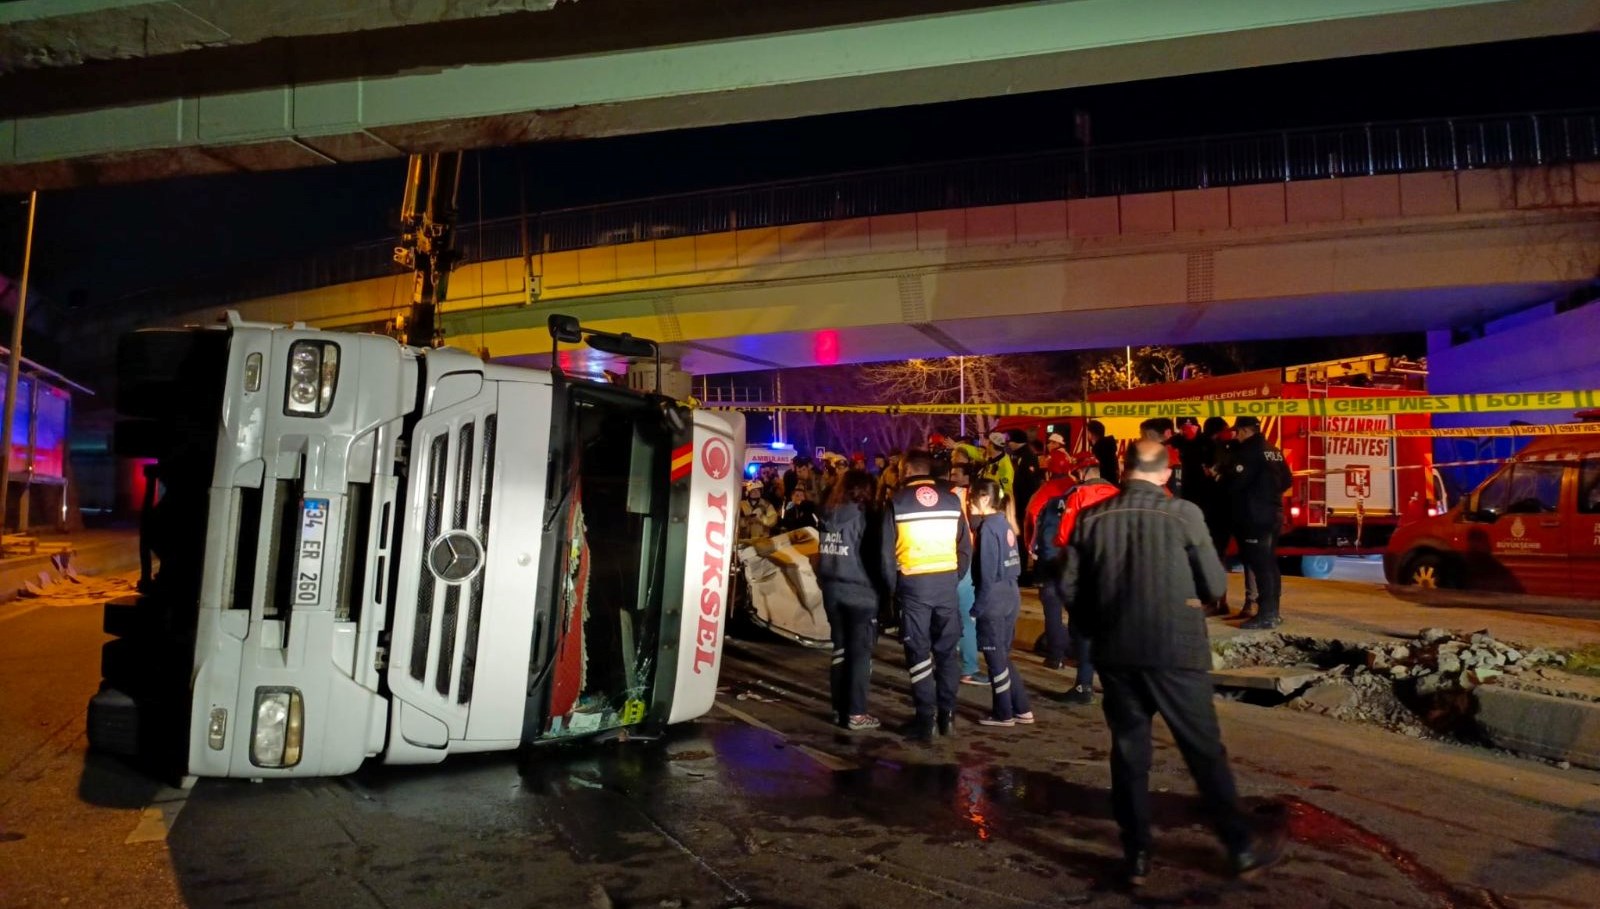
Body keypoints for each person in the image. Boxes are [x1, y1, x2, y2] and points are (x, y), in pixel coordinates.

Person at [1060, 440, 1285, 886]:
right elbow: (1215, 584)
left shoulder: (1091, 518)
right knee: (1202, 750)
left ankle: (1137, 855)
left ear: (1123, 469)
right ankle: (1239, 847)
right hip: (1176, 650)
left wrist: (1092, 628)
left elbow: (1070, 586)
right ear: (1165, 474)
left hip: (1117, 651)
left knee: (1129, 753)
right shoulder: (1183, 514)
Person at [881, 449, 972, 740]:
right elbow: (965, 548)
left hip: (913, 586)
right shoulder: (951, 500)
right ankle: (948, 716)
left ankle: (925, 719)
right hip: (946, 584)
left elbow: (885, 555)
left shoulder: (896, 502)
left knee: (918, 652)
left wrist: (892, 590)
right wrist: (952, 577)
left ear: (906, 470)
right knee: (947, 653)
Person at [816, 470, 883, 732]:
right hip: (860, 591)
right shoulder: (866, 516)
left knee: (840, 648)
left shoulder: (828, 513)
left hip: (832, 589)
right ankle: (856, 712)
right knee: (860, 654)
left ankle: (839, 708)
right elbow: (875, 556)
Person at [1049, 455, 1118, 704]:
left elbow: (1064, 536)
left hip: (1088, 568)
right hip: (1117, 569)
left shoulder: (1079, 495)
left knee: (1083, 628)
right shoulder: (1118, 494)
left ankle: (1083, 686)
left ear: (1082, 472)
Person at [967, 479, 1034, 728]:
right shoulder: (1004, 523)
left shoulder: (987, 529)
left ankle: (1003, 713)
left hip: (993, 599)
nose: (969, 504)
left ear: (984, 499)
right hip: (1010, 594)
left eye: (971, 498)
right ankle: (1022, 708)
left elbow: (986, 574)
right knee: (1003, 656)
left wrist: (976, 609)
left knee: (995, 659)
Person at [1227, 416, 1292, 629]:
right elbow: (1287, 480)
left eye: (1237, 432)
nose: (1236, 436)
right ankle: (1273, 612)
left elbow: (1235, 484)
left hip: (1254, 516)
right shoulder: (1273, 450)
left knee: (1260, 565)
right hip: (1273, 513)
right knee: (1269, 563)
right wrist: (1269, 493)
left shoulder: (1248, 452)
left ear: (1245, 431)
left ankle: (1266, 615)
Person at [1024, 450, 1078, 672]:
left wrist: (1031, 548)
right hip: (1074, 556)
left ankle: (1056, 656)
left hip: (1050, 556)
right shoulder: (1077, 488)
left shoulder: (1044, 492)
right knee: (1075, 606)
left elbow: (1031, 518)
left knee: (1052, 605)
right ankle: (1075, 650)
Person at [1187, 417, 1236, 616]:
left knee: (1210, 558)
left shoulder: (1208, 450)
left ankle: (1213, 602)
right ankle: (1219, 601)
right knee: (1218, 557)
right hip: (1222, 512)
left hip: (1210, 513)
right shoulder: (1227, 450)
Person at [1087, 420, 1120, 486]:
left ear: (1091, 434)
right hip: (1112, 487)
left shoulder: (1099, 452)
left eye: (1087, 432)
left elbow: (1094, 478)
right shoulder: (1108, 449)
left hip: (1105, 487)